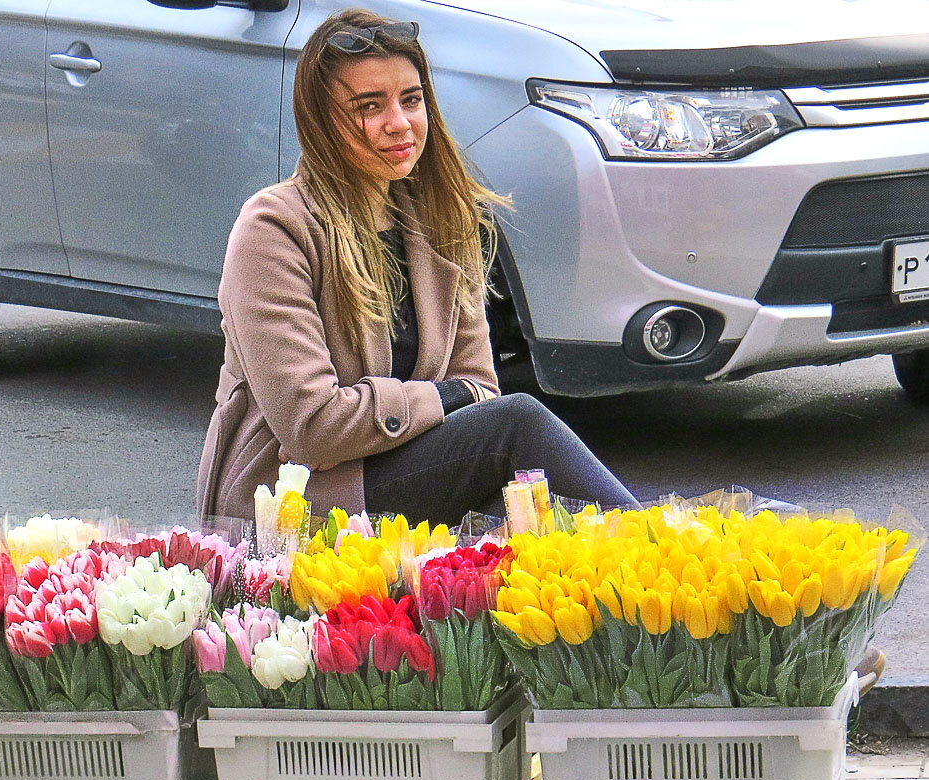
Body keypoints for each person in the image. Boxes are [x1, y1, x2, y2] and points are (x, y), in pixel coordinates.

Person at [196, 8, 637, 526]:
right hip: (295, 505)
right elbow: (312, 427)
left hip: (402, 472)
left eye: (411, 99)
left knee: (536, 510)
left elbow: (480, 388)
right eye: (370, 106)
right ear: (321, 123)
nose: (399, 123)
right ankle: (664, 558)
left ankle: (657, 577)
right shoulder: (274, 229)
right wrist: (443, 397)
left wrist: (424, 405)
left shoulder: (443, 220)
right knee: (517, 427)